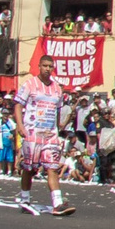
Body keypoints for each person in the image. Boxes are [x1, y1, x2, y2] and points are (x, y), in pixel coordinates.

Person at [13, 57, 73, 216]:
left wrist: (59, 127)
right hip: (33, 132)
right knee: (29, 168)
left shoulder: (57, 88)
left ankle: (58, 203)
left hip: (50, 134)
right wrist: (20, 126)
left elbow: (58, 109)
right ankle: (25, 199)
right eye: (45, 66)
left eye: (50, 66)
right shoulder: (29, 85)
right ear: (39, 66)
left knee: (52, 168)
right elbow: (18, 104)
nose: (47, 69)